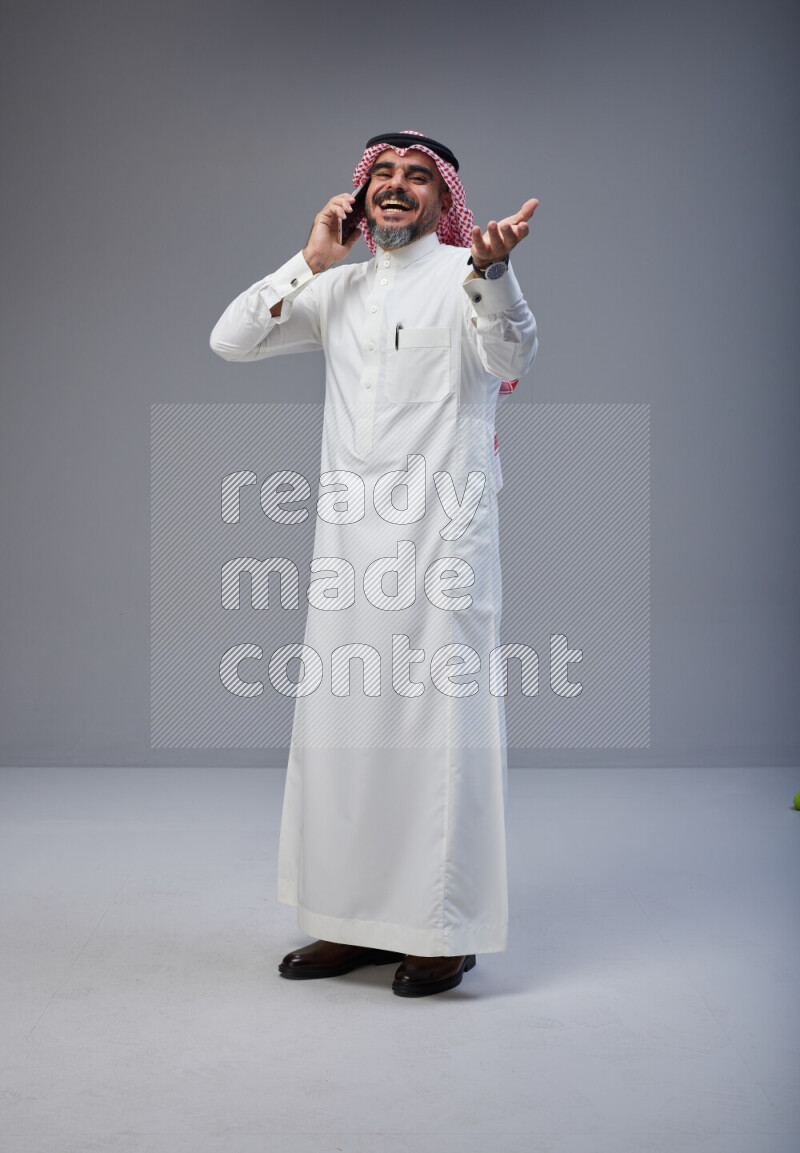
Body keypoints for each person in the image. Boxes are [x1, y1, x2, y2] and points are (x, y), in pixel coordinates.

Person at [210, 130, 538, 997]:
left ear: (443, 199)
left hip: (442, 548)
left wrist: (496, 274)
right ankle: (347, 920)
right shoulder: (340, 287)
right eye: (382, 176)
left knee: (438, 736)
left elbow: (510, 357)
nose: (396, 189)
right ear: (361, 195)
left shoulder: (468, 273)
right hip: (349, 552)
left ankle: (443, 929)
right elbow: (230, 341)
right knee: (343, 736)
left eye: (417, 178)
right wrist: (308, 260)